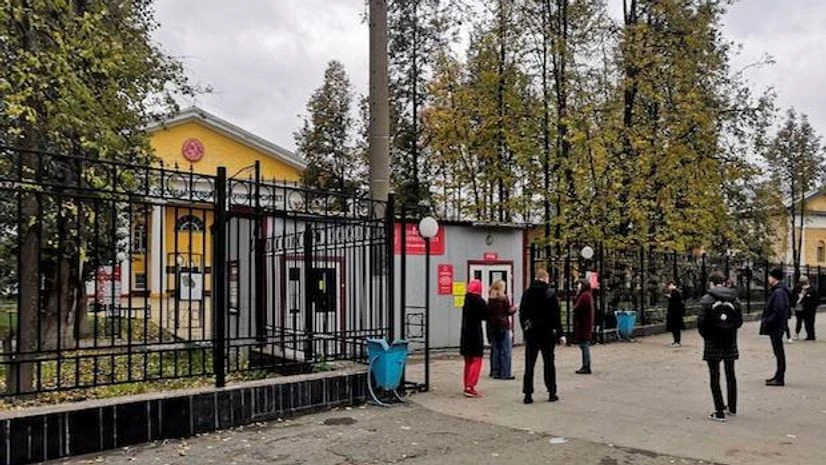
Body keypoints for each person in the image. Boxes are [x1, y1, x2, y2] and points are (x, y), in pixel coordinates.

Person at [698, 271, 743, 422]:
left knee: (714, 376)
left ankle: (719, 411)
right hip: (730, 341)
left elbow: (701, 322)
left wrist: (708, 335)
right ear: (723, 282)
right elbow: (739, 321)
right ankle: (732, 407)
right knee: (731, 374)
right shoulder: (734, 298)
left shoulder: (707, 299)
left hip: (713, 342)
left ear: (711, 283)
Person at [519, 269, 565, 404]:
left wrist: (525, 329)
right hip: (547, 333)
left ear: (535, 278)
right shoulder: (550, 294)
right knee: (549, 363)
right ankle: (551, 391)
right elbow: (556, 316)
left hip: (532, 333)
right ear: (545, 278)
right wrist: (560, 333)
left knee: (529, 364)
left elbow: (522, 313)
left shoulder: (527, 293)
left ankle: (527, 394)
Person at [761, 269, 790, 387]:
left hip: (776, 327)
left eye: (769, 276)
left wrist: (767, 321)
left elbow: (778, 310)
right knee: (778, 352)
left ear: (774, 278)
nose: (768, 279)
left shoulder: (778, 292)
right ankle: (778, 376)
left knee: (779, 352)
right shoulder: (779, 291)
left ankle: (779, 377)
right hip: (777, 326)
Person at [461, 279, 487, 397]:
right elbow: (485, 315)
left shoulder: (466, 300)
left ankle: (466, 384)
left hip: (465, 333)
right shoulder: (479, 301)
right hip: (475, 334)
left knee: (468, 360)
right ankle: (470, 386)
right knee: (477, 360)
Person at [487, 280, 517, 380]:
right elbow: (508, 311)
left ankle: (495, 372)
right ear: (501, 287)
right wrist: (515, 308)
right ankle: (505, 373)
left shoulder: (490, 299)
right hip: (503, 326)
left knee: (495, 349)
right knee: (506, 350)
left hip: (493, 326)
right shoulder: (504, 298)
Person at [573, 279, 595, 374]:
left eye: (579, 285)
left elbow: (577, 308)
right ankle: (585, 365)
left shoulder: (585, 296)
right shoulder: (586, 295)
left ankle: (586, 366)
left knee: (584, 345)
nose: (577, 286)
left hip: (584, 325)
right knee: (583, 345)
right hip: (584, 324)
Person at [793, 275, 817, 341]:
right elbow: (793, 296)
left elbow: (815, 299)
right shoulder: (797, 288)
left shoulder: (812, 288)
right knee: (799, 321)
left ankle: (811, 335)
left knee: (809, 322)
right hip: (800, 307)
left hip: (809, 308)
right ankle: (798, 333)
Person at [665, 281, 686, 347]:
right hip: (673, 313)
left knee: (676, 328)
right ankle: (675, 340)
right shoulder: (672, 292)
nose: (670, 286)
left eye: (672, 285)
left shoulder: (675, 292)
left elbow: (676, 300)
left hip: (676, 313)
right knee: (674, 328)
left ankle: (677, 341)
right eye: (669, 285)